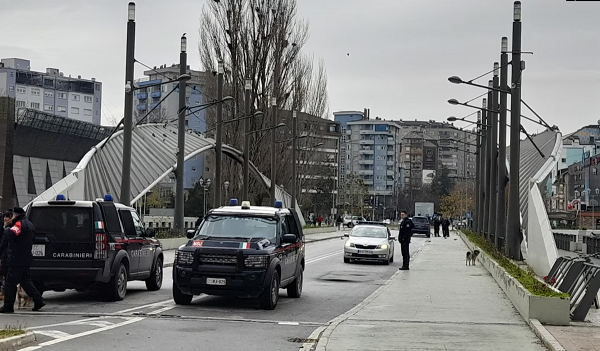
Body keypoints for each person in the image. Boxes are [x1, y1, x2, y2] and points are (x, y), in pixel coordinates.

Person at [0, 207, 45, 313]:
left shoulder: (19, 224)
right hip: (25, 258)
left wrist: (6, 228)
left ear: (15, 215)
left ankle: (8, 306)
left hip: (16, 258)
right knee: (25, 281)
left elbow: (11, 234)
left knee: (10, 283)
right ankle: (38, 300)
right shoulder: (29, 224)